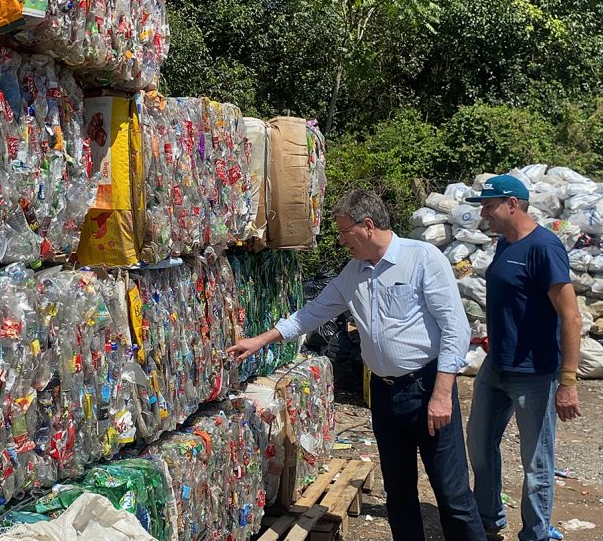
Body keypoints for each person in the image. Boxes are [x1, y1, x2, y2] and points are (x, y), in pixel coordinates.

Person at [228, 189, 486, 541]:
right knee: (399, 492)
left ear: (367, 226)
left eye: (344, 231)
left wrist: (442, 393)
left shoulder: (422, 258)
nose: (341, 240)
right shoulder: (354, 272)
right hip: (385, 394)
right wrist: (260, 340)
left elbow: (456, 328)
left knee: (452, 493)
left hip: (426, 389)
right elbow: (313, 312)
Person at [464, 175, 582, 541]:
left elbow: (571, 316)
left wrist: (568, 381)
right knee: (479, 446)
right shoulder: (504, 244)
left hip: (534, 374)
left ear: (512, 204)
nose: (483, 213)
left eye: (489, 206)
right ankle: (488, 518)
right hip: (496, 366)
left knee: (536, 463)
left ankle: (535, 533)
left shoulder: (544, 247)